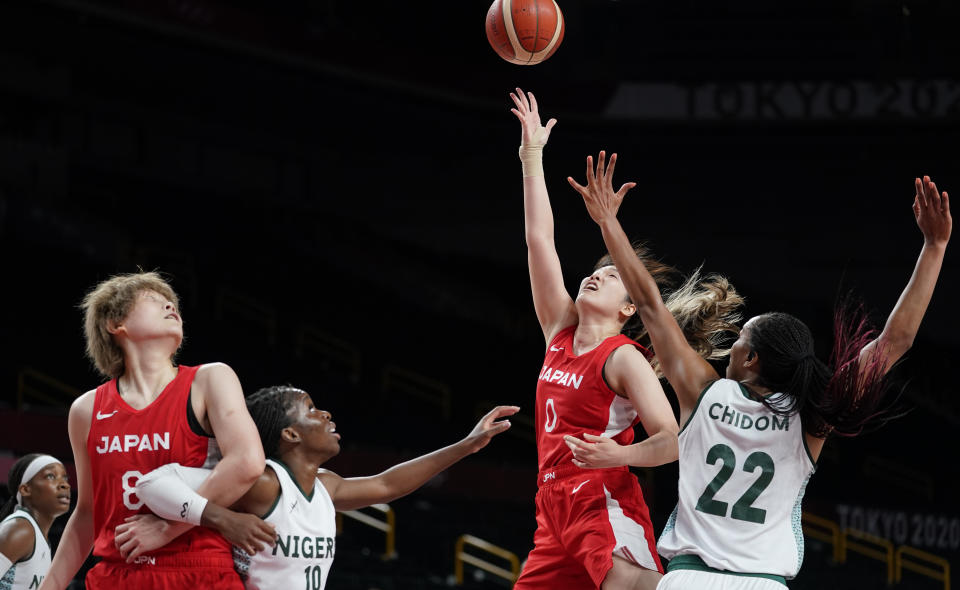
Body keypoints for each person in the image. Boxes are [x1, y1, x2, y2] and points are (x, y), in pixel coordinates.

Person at [567, 153, 951, 588]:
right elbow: (894, 342)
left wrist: (608, 223)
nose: (729, 350)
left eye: (740, 343)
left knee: (607, 570)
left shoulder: (704, 392)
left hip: (690, 580)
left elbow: (651, 303)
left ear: (752, 361)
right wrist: (934, 249)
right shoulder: (813, 414)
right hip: (763, 583)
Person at [509, 89, 743, 590]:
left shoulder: (623, 359)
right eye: (594, 272)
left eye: (611, 276)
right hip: (552, 508)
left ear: (628, 308)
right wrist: (532, 157)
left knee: (631, 585)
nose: (596, 277)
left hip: (601, 499)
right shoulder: (559, 330)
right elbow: (538, 240)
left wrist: (620, 456)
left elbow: (671, 442)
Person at [123, 385, 519, 590]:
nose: (325, 413)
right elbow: (152, 482)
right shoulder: (262, 483)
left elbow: (387, 484)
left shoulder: (325, 488)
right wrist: (222, 518)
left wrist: (465, 446)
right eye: (311, 408)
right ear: (290, 433)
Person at [39, 272, 266, 590]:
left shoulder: (209, 380)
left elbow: (248, 462)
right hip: (118, 574)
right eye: (153, 299)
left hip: (198, 570)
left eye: (172, 302)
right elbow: (89, 512)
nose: (171, 305)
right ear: (115, 324)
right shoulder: (86, 410)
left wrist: (166, 527)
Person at [0, 455, 70, 589]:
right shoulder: (20, 529)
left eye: (65, 478)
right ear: (26, 489)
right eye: (50, 476)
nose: (64, 484)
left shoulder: (38, 536)